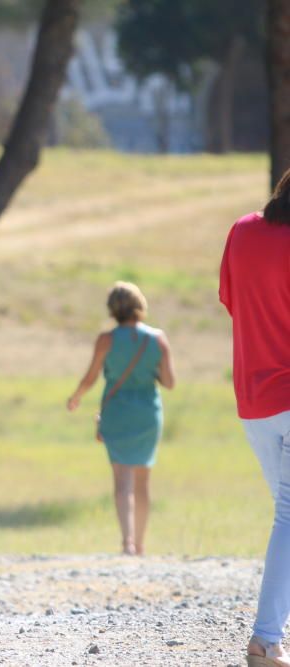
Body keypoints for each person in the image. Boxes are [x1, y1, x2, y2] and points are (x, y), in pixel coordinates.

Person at [219, 168, 290, 667]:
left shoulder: (242, 231)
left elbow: (231, 300)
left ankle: (272, 633)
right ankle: (266, 640)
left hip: (255, 401)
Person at [67, 281, 175, 556]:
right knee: (143, 479)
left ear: (112, 309)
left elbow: (91, 376)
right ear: (140, 305)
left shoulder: (107, 340)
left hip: (117, 412)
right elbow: (170, 382)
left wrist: (76, 396)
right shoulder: (158, 339)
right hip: (148, 414)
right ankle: (140, 543)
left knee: (121, 480)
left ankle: (126, 541)